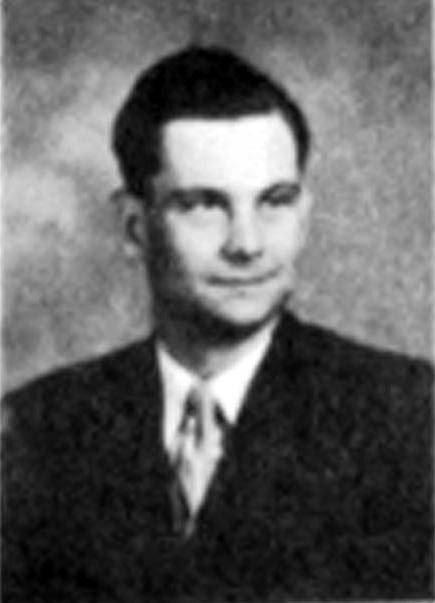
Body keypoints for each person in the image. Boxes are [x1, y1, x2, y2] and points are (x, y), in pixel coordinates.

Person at [2, 45, 433, 602]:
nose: (247, 244)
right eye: (205, 205)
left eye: (274, 201)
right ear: (134, 228)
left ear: (304, 217)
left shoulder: (409, 418)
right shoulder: (36, 432)